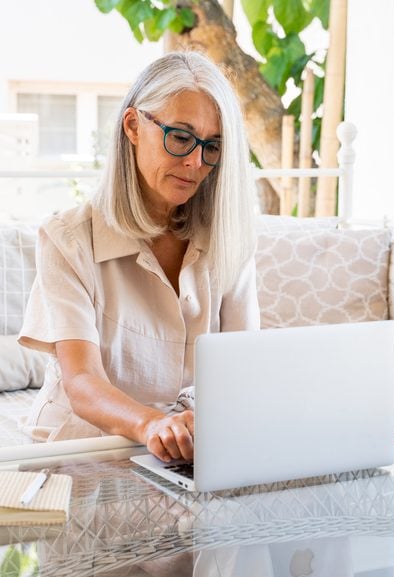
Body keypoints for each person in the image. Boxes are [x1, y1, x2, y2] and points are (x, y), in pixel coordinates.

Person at [18, 50, 260, 463]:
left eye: (212, 146)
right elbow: (82, 381)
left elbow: (243, 368)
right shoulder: (68, 239)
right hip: (80, 452)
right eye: (180, 137)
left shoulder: (229, 239)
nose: (195, 162)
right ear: (133, 125)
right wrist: (152, 425)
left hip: (182, 453)